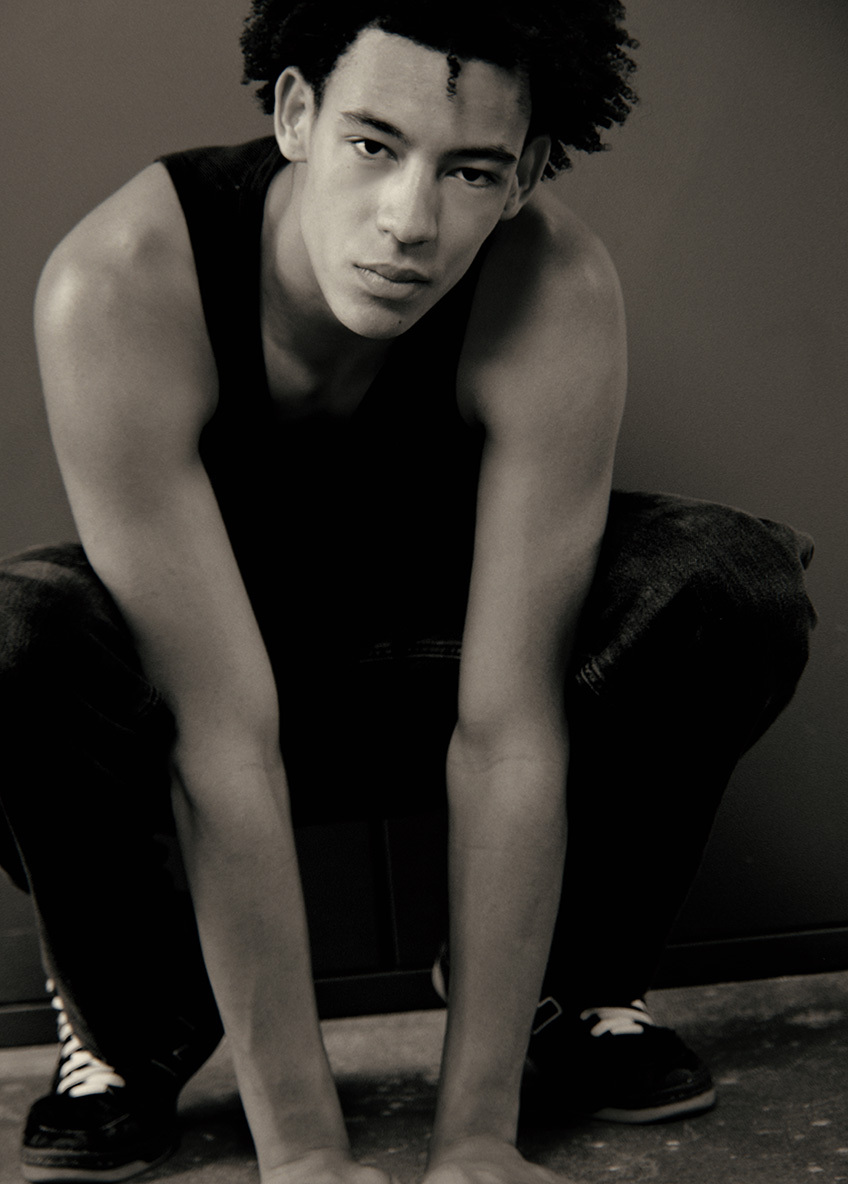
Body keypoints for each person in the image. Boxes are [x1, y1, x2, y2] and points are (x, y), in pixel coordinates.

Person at [0, 2, 815, 1182]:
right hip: (218, 684)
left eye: (470, 170)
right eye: (372, 145)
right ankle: (132, 1022)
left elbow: (507, 730)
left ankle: (559, 987)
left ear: (523, 173)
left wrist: (475, 1136)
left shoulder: (552, 282)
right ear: (296, 114)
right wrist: (303, 1154)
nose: (408, 220)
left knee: (726, 580)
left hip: (443, 654)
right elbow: (223, 740)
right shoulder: (120, 280)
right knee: (13, 633)